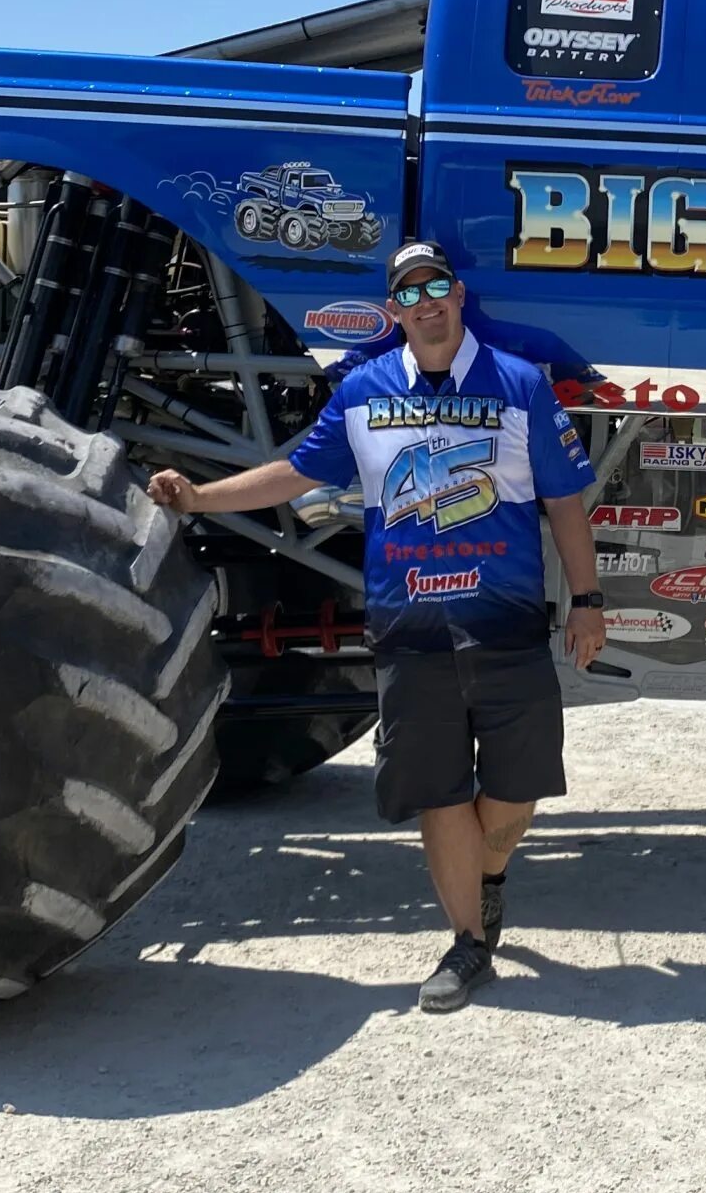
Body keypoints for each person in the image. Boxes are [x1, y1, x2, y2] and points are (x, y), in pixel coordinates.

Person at [148, 242, 606, 1012]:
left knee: (516, 796)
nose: (425, 302)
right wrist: (199, 497)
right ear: (394, 312)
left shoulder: (521, 385)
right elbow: (297, 472)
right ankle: (468, 942)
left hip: (504, 624)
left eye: (437, 287)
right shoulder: (362, 391)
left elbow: (564, 504)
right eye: (408, 293)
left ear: (458, 296)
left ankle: (490, 875)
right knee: (437, 790)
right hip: (411, 628)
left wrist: (588, 602)